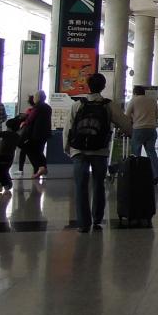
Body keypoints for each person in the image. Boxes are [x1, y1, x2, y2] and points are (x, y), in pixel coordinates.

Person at [66, 73, 132, 233]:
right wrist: (129, 133)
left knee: (81, 186)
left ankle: (83, 223)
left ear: (88, 86)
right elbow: (125, 124)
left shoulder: (78, 105)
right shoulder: (108, 105)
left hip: (79, 150)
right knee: (98, 184)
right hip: (100, 151)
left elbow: (68, 128)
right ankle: (97, 219)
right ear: (103, 87)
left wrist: (68, 149)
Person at [125, 85, 158, 183]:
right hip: (151, 129)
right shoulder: (152, 101)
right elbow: (157, 115)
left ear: (135, 93)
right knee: (151, 152)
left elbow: (126, 115)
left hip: (139, 129)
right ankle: (156, 175)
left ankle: (137, 175)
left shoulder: (133, 101)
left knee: (136, 154)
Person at [23, 90, 52, 179]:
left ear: (37, 98)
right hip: (45, 133)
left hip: (36, 133)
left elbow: (31, 118)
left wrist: (24, 123)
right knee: (39, 151)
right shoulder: (48, 107)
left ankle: (40, 167)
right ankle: (41, 168)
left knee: (28, 148)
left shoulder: (37, 107)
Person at [0, 118, 20, 193]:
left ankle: (6, 184)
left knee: (1, 171)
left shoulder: (6, 133)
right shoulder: (17, 136)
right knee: (5, 170)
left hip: (2, 155)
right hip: (10, 156)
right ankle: (7, 184)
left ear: (9, 127)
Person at [16, 94, 35, 173]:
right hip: (33, 134)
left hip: (27, 134)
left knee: (24, 151)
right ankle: (37, 168)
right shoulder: (37, 110)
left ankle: (21, 169)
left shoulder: (30, 111)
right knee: (33, 152)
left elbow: (25, 121)